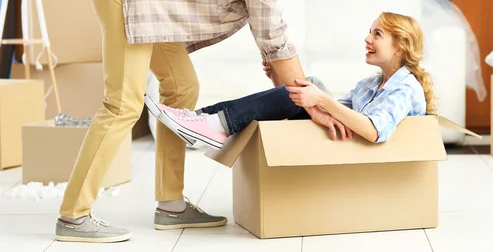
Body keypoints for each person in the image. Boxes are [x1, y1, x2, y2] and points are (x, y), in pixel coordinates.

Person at [55, 0, 336, 243]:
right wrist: (312, 103)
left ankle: (171, 205)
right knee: (123, 104)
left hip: (151, 2)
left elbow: (272, 46)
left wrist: (294, 97)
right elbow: (274, 39)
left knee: (182, 87)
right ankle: (73, 216)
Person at [145, 13, 437, 147]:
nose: (367, 38)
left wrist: (318, 98)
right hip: (342, 141)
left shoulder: (405, 86)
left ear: (400, 46)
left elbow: (375, 132)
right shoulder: (369, 85)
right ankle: (203, 121)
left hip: (359, 149)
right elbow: (319, 110)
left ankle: (210, 124)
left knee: (311, 88)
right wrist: (281, 84)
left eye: (377, 34)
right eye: (369, 31)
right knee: (306, 87)